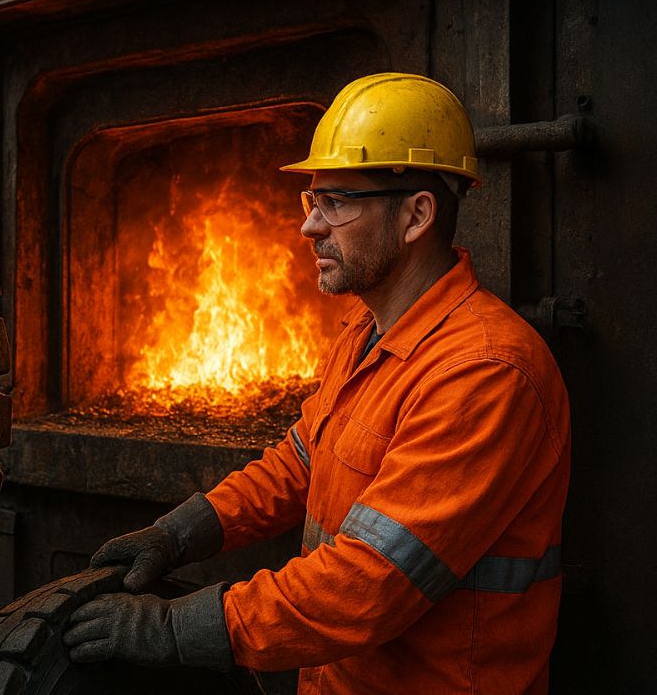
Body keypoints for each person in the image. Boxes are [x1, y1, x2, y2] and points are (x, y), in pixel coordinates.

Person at [61, 73, 571, 694]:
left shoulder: (486, 373)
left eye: (335, 202)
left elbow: (369, 583)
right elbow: (299, 461)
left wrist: (177, 628)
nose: (309, 228)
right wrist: (180, 532)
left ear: (417, 215)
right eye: (311, 203)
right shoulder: (367, 333)